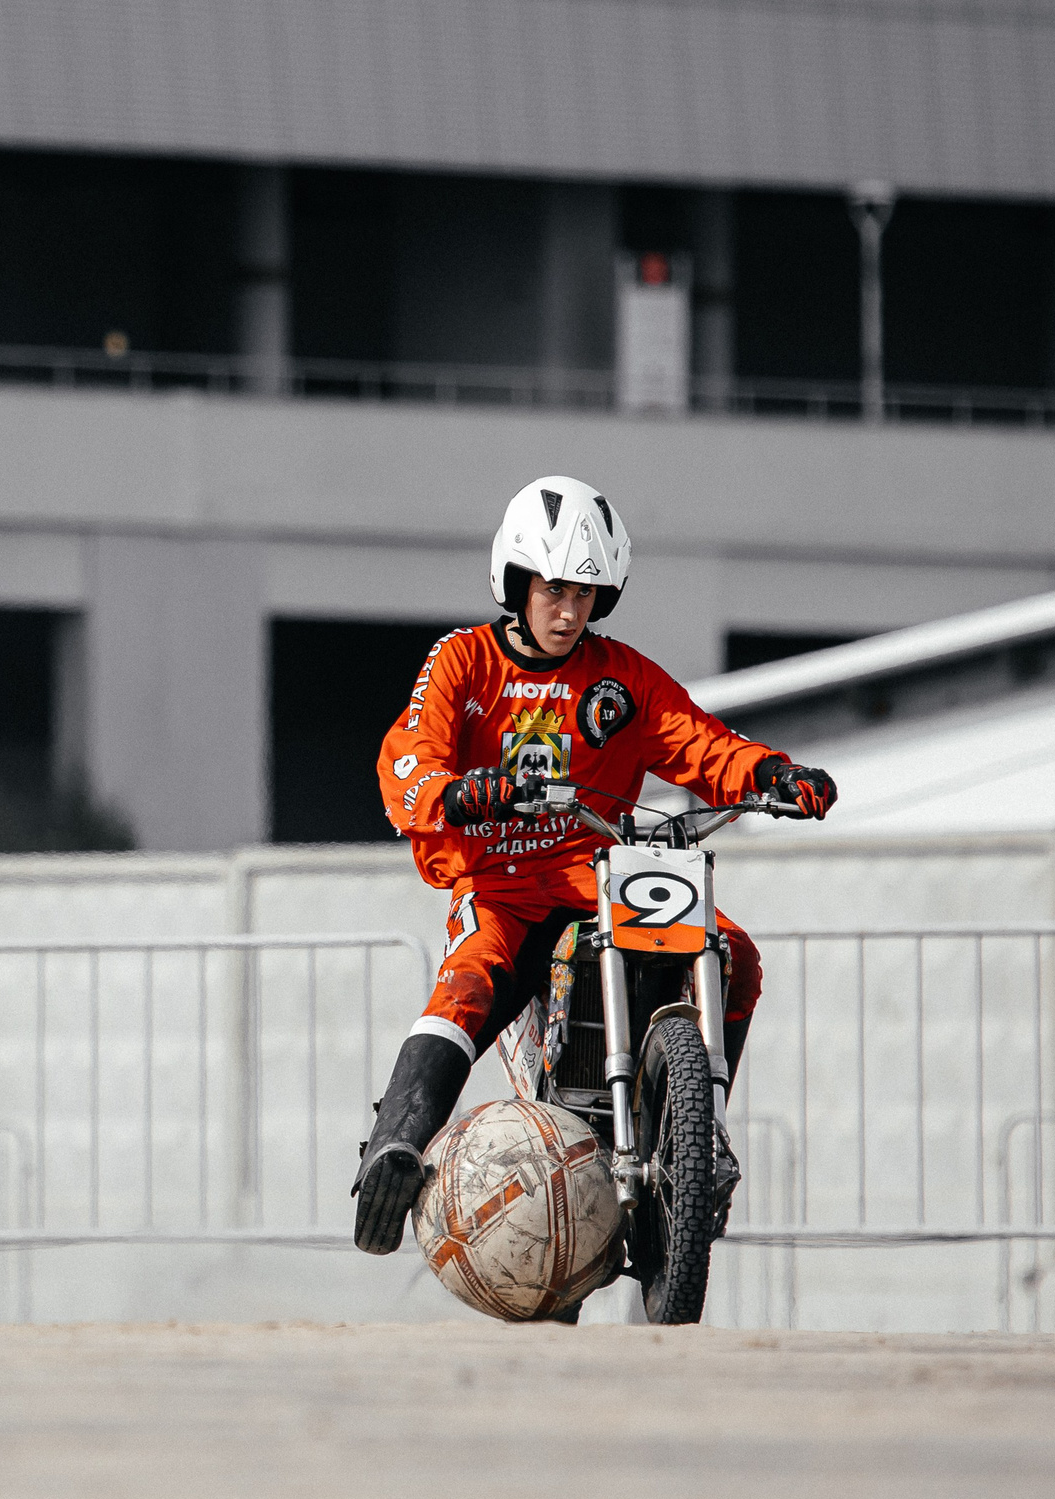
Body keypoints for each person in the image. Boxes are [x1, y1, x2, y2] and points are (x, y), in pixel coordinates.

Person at [349, 475, 838, 1257]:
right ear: (516, 582)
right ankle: (392, 1146)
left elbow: (699, 741)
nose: (569, 610)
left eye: (586, 593)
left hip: (598, 878)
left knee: (733, 954)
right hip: (501, 889)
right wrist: (457, 792)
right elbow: (409, 758)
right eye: (552, 590)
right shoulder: (462, 661)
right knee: (468, 980)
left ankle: (694, 1138)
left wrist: (774, 773)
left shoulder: (625, 678)